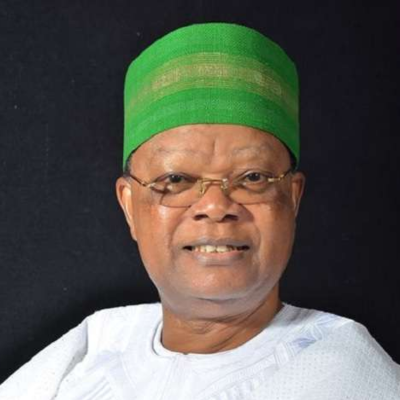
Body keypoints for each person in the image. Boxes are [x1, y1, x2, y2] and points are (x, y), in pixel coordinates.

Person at [1, 22, 399, 400]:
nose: (215, 206)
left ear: (292, 198)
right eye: (175, 180)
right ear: (129, 205)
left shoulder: (348, 377)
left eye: (253, 177)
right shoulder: (94, 347)